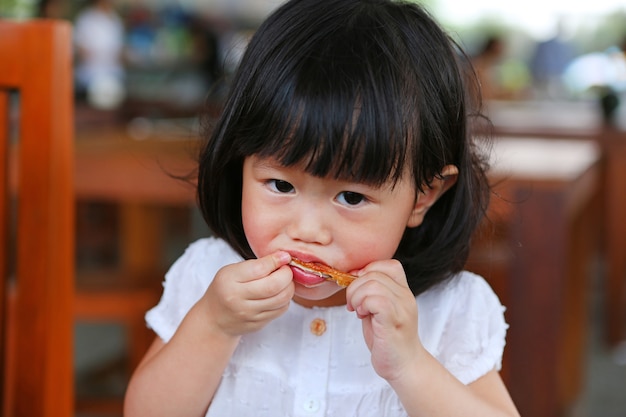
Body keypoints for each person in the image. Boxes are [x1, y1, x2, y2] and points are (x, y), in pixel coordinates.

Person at [124, 0, 520, 416]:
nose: (307, 229)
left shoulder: (448, 310)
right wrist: (213, 325)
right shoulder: (208, 278)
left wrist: (411, 364)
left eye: (351, 197)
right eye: (280, 185)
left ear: (423, 196)